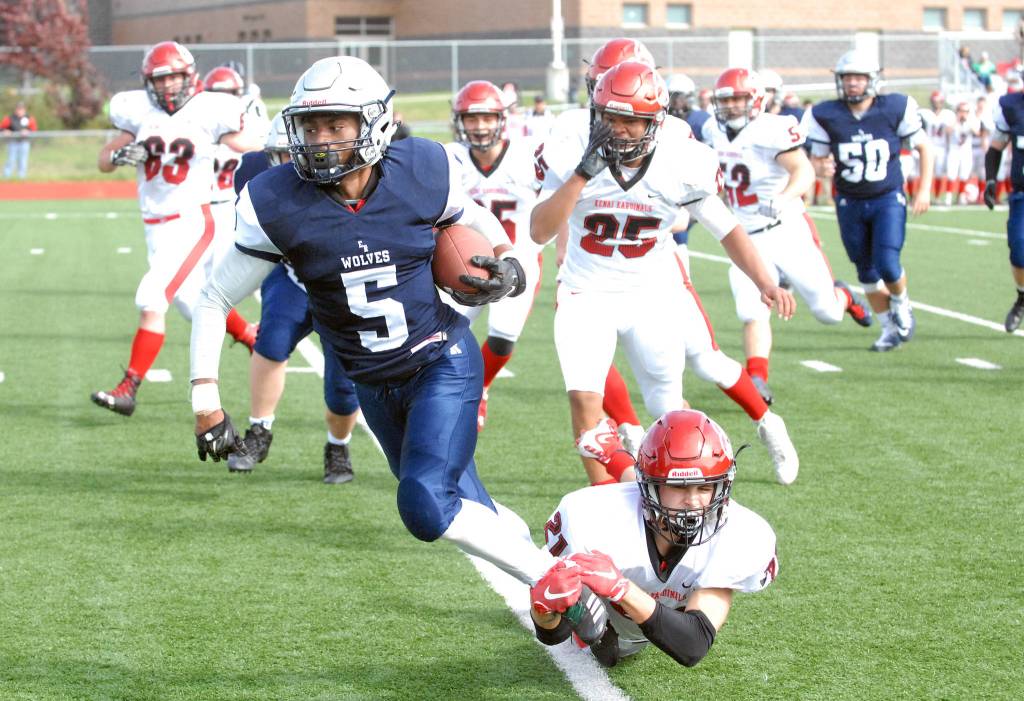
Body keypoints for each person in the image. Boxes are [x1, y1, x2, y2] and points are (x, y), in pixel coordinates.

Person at [188, 57, 609, 625]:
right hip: (372, 384)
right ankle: (574, 574)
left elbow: (470, 212)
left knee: (424, 504)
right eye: (311, 127)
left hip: (441, 361)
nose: (321, 140)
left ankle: (567, 590)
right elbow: (213, 298)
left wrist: (506, 255)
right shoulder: (276, 200)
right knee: (465, 505)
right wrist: (205, 401)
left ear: (376, 123)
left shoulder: (421, 169)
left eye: (337, 125)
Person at [531, 60, 800, 487]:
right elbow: (539, 229)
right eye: (609, 118)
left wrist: (764, 280)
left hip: (651, 293)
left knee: (667, 407)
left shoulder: (679, 159)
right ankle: (610, 496)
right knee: (585, 405)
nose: (617, 129)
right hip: (586, 291)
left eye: (630, 121)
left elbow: (726, 229)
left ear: (655, 122)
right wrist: (583, 173)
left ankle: (740, 444)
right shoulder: (572, 149)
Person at [528, 409, 779, 668]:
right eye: (679, 486)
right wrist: (544, 612)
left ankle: (612, 452)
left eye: (705, 487)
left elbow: (692, 644)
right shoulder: (590, 517)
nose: (693, 502)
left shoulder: (740, 534)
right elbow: (552, 632)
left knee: (661, 505)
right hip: (620, 617)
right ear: (648, 484)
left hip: (646, 617)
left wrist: (620, 587)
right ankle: (614, 454)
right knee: (597, 636)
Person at [91, 41, 262, 416]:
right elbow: (104, 160)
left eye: (173, 77)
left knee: (151, 297)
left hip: (191, 218)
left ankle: (128, 388)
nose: (167, 86)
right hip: (154, 224)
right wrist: (120, 155)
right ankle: (252, 335)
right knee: (190, 300)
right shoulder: (136, 110)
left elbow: (250, 143)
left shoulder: (210, 109)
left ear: (189, 76)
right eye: (159, 79)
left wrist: (261, 142)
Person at [703, 68, 873, 404]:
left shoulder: (772, 129)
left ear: (755, 100)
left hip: (786, 231)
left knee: (828, 313)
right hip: (745, 237)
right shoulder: (712, 129)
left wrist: (780, 199)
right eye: (727, 99)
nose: (733, 106)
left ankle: (845, 297)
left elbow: (804, 170)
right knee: (751, 310)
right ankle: (757, 378)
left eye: (739, 98)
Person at [223, 113, 364, 483]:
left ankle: (338, 445)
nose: (293, 165)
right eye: (283, 155)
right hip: (291, 276)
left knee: (342, 384)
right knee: (271, 342)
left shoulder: (353, 177)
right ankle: (259, 431)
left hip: (342, 287)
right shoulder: (256, 172)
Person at [803, 50, 932, 352]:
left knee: (887, 263)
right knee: (866, 272)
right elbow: (818, 160)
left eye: (859, 78)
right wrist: (820, 168)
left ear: (873, 80)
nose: (852, 84)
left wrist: (924, 190)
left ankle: (902, 303)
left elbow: (925, 148)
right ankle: (888, 328)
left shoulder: (895, 107)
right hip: (849, 201)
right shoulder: (825, 114)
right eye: (848, 78)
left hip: (887, 197)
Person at [444, 80, 546, 430]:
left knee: (502, 339)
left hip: (517, 262)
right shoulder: (451, 158)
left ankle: (481, 388)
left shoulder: (529, 156)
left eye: (486, 118)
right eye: (471, 119)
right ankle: (445, 391)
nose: (479, 126)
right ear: (459, 121)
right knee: (445, 333)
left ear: (501, 118)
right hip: (464, 260)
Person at [203, 65, 269, 268]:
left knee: (220, 270)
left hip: (229, 206)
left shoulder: (249, 126)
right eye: (218, 94)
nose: (223, 100)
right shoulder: (195, 124)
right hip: (196, 208)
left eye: (229, 94)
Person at [983, 78, 1024, 331]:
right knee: (1019, 253)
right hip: (1022, 194)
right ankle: (1022, 297)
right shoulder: (1012, 106)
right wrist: (990, 180)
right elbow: (996, 148)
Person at [919, 90, 952, 204]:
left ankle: (937, 197)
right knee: (924, 171)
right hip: (929, 146)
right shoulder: (925, 113)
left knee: (938, 173)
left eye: (939, 101)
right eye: (935, 101)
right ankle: (921, 195)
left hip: (942, 147)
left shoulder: (947, 114)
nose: (937, 104)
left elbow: (950, 131)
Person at [1, 101, 37, 179]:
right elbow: (1, 127)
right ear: (16, 109)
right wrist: (5, 131)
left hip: (24, 142)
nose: (20, 111)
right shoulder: (10, 118)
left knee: (23, 160)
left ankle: (22, 177)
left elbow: (34, 129)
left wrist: (28, 131)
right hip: (13, 142)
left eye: (21, 109)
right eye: (18, 109)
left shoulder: (29, 118)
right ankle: (7, 176)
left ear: (24, 110)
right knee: (11, 159)